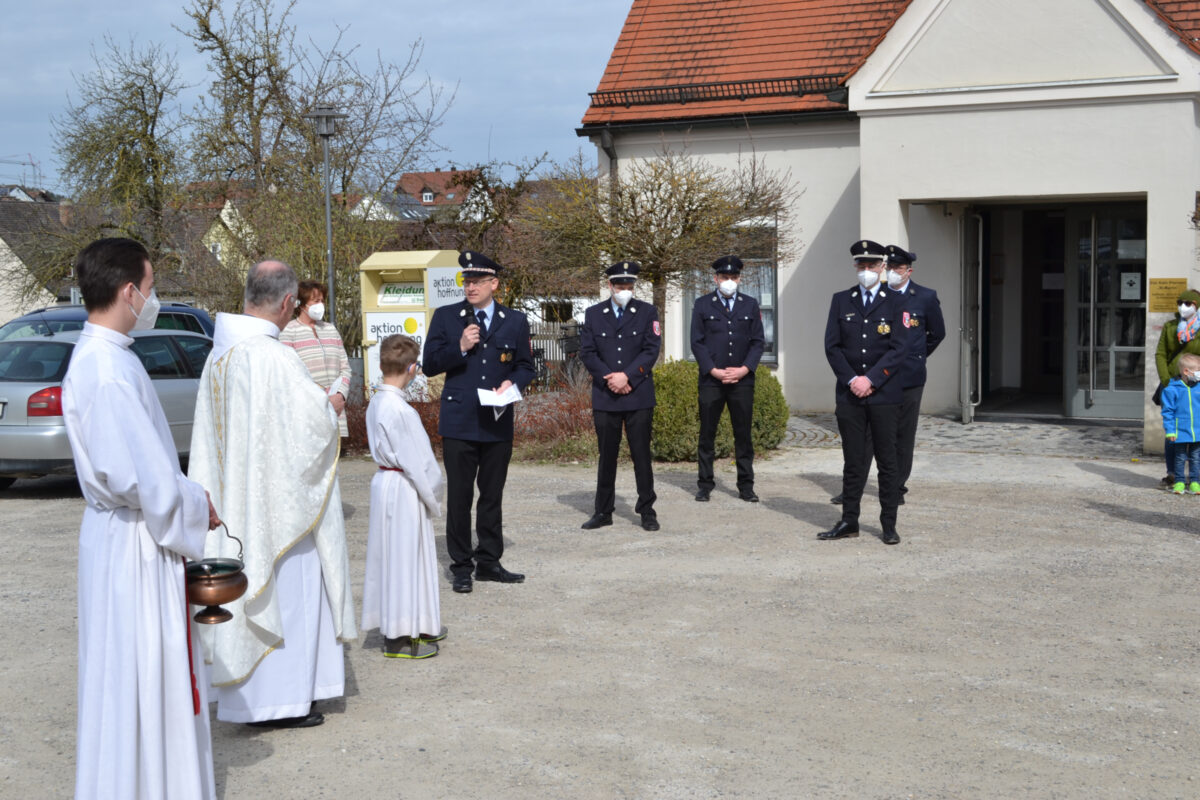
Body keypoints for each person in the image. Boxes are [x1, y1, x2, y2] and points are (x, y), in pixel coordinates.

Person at [62, 237, 220, 799]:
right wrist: (200, 505)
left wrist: (183, 493)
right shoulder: (105, 370)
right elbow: (142, 482)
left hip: (125, 534)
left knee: (131, 673)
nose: (154, 299)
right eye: (152, 288)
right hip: (135, 542)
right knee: (143, 671)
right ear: (129, 292)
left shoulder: (108, 356)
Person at [189, 259, 357, 729]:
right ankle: (281, 701)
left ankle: (260, 697)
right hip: (274, 511)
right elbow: (311, 428)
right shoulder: (273, 357)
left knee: (252, 594)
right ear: (288, 303)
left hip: (235, 502)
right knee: (292, 594)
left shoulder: (218, 355)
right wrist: (332, 407)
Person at [423, 250, 535, 594]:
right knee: (459, 496)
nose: (470, 287)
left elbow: (525, 365)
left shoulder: (514, 320)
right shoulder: (446, 317)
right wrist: (459, 346)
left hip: (496, 419)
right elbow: (429, 364)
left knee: (491, 495)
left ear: (493, 283)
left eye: (477, 281)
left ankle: (489, 561)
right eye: (466, 281)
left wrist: (513, 384)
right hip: (459, 420)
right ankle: (461, 566)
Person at [831, 245, 945, 505]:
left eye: (898, 268)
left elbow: (937, 333)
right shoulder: (878, 297)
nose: (893, 272)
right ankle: (854, 486)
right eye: (890, 267)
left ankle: (896, 488)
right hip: (876, 377)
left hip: (908, 376)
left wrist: (916, 357)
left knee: (902, 435)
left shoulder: (924, 297)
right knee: (868, 436)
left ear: (909, 271)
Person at [820, 239, 910, 545]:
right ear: (856, 267)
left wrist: (871, 379)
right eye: (862, 265)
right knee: (853, 460)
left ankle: (888, 524)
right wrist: (851, 380)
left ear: (883, 267)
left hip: (884, 394)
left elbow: (899, 349)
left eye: (872, 265)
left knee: (887, 460)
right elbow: (832, 346)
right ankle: (849, 521)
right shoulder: (841, 300)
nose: (867, 270)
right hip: (850, 395)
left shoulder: (897, 302)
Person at [362, 335, 445, 658]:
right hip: (404, 486)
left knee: (396, 555)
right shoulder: (401, 411)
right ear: (412, 369)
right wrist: (435, 492)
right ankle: (397, 635)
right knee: (405, 558)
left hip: (386, 482)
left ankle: (419, 621)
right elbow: (420, 462)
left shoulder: (377, 402)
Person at [578, 261, 663, 531]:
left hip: (638, 394)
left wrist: (628, 376)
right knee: (607, 456)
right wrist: (611, 379)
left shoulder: (647, 312)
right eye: (620, 286)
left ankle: (647, 510)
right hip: (606, 395)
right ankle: (603, 511)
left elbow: (651, 350)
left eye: (629, 286)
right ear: (609, 286)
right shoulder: (593, 314)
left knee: (641, 455)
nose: (625, 290)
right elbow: (588, 352)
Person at [690, 255, 766, 503]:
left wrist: (744, 369)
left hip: (742, 380)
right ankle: (705, 483)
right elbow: (697, 342)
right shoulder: (702, 304)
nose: (729, 281)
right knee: (707, 433)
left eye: (734, 277)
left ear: (740, 279)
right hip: (712, 379)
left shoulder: (750, 304)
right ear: (715, 278)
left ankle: (746, 485)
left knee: (743, 434)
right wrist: (712, 370)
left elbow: (757, 342)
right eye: (725, 277)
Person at [280, 280, 353, 437]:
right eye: (315, 301)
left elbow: (345, 368)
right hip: (308, 413)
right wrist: (321, 400)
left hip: (336, 409)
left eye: (322, 300)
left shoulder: (330, 329)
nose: (320, 305)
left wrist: (340, 395)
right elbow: (289, 374)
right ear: (301, 304)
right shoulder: (288, 331)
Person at [1154, 288, 1200, 488]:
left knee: (1196, 429)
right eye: (1181, 302)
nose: (1184, 306)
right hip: (1173, 383)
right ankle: (1173, 474)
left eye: (1189, 303)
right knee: (1173, 428)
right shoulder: (1170, 326)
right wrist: (1166, 380)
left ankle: (1195, 477)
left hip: (1196, 383)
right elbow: (1160, 354)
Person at [1161, 352, 1200, 494]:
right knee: (1180, 458)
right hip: (1180, 432)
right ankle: (1179, 482)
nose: (1199, 373)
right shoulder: (1171, 390)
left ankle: (1195, 482)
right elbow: (1168, 412)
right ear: (1186, 371)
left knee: (1196, 458)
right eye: (1198, 369)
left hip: (1197, 431)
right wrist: (1170, 430)